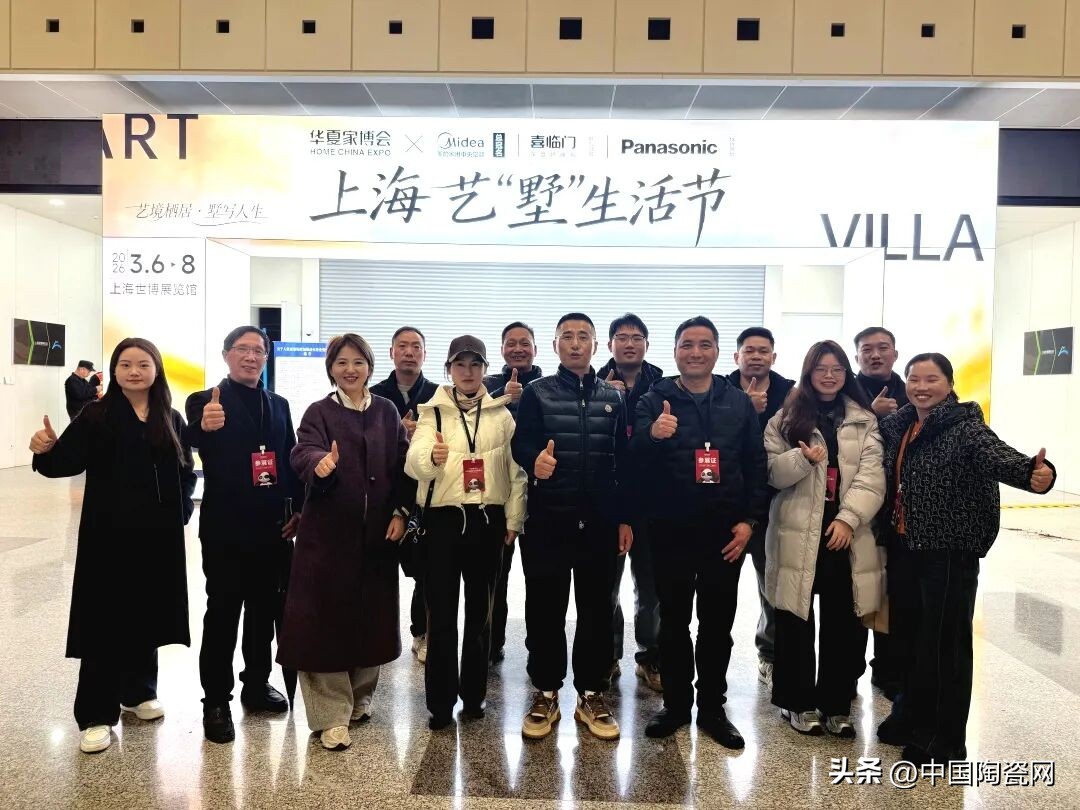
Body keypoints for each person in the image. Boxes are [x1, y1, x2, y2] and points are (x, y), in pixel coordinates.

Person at [876, 353, 1055, 765]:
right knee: (908, 639)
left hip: (948, 551)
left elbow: (1003, 459)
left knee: (944, 645)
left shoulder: (966, 428)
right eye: (914, 379)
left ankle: (944, 739)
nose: (922, 387)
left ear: (949, 384)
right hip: (905, 546)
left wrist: (1036, 474)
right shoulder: (900, 425)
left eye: (932, 379)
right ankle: (909, 715)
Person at [30, 338, 196, 754]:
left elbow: (185, 471)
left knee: (146, 612)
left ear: (156, 370)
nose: (134, 371)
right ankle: (96, 714)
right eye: (125, 364)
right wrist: (45, 449)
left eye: (143, 364)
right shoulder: (97, 415)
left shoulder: (170, 417)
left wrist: (178, 514)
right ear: (115, 370)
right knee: (104, 620)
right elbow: (64, 462)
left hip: (156, 539)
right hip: (108, 537)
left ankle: (137, 692)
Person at [630, 316, 767, 748]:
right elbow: (632, 458)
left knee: (717, 625)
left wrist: (749, 522)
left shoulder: (737, 402)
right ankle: (674, 705)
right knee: (673, 622)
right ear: (674, 352)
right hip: (669, 530)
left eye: (704, 344)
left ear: (717, 352)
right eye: (687, 344)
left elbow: (755, 465)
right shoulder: (654, 399)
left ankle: (712, 708)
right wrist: (653, 434)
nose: (695, 352)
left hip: (724, 534)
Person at [277, 334, 411, 750]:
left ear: (370, 366)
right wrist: (320, 463)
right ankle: (331, 715)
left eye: (358, 362)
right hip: (327, 537)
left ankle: (360, 698)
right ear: (331, 369)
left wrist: (401, 513)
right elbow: (302, 450)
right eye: (341, 363)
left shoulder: (386, 410)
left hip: (377, 537)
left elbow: (404, 465)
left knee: (372, 617)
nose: (350, 370)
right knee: (323, 622)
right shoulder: (319, 411)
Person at [511, 313, 633, 741]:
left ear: (596, 346)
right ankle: (545, 691)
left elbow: (622, 460)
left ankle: (591, 694)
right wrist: (535, 461)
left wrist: (624, 518)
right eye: (568, 336)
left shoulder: (613, 397)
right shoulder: (536, 392)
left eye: (584, 337)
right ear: (556, 345)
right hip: (548, 520)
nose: (576, 343)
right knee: (545, 609)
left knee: (597, 610)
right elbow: (520, 443)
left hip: (600, 522)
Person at [185, 326, 305, 744]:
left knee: (263, 612)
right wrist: (203, 426)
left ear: (266, 358)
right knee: (222, 614)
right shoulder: (205, 400)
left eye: (259, 351)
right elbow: (189, 439)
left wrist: (298, 510)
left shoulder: (279, 404)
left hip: (273, 528)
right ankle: (216, 701)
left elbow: (289, 460)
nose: (251, 357)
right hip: (226, 528)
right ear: (226, 354)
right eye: (243, 349)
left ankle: (256, 683)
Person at [763, 340, 885, 738]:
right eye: (821, 369)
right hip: (797, 531)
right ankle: (796, 703)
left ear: (846, 374)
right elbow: (772, 473)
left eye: (837, 369)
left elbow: (872, 477)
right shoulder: (785, 418)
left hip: (844, 534)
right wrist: (803, 459)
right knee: (795, 618)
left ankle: (836, 704)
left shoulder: (864, 420)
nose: (829, 376)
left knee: (844, 622)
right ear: (808, 373)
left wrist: (849, 520)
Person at [406, 336, 527, 729]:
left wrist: (514, 520)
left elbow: (516, 472)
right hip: (442, 523)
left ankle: (474, 696)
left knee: (481, 615)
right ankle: (440, 703)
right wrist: (430, 457)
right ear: (449, 370)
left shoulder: (501, 415)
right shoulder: (433, 413)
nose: (468, 372)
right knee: (441, 617)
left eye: (476, 365)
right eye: (460, 365)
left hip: (487, 521)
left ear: (485, 370)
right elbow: (413, 464)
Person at [597, 313, 664, 691]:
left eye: (637, 337)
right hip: (609, 500)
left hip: (652, 502)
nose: (629, 343)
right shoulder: (595, 384)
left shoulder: (664, 387)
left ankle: (650, 657)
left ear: (646, 345)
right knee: (606, 585)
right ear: (610, 345)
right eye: (621, 337)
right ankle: (608, 656)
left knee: (650, 587)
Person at [727, 326, 795, 689]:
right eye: (749, 350)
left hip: (776, 505)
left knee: (772, 586)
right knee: (718, 590)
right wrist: (745, 410)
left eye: (763, 350)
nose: (756, 356)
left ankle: (769, 654)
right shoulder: (721, 389)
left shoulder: (792, 393)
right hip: (727, 506)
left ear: (773, 356)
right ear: (736, 356)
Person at [370, 326, 439, 665]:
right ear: (391, 353)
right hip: (381, 493)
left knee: (427, 570)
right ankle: (374, 635)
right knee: (377, 569)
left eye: (416, 347)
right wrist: (397, 431)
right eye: (402, 346)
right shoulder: (372, 395)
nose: (409, 352)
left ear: (425, 354)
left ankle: (421, 633)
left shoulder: (439, 395)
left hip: (424, 495)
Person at [481, 321, 543, 665]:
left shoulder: (548, 386)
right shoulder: (487, 386)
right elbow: (472, 423)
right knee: (495, 575)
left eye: (525, 343)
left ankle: (538, 648)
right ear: (502, 348)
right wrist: (503, 397)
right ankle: (491, 644)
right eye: (511, 343)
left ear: (535, 348)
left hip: (539, 494)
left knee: (539, 578)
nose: (518, 348)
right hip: (498, 492)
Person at [853, 326, 910, 698]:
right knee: (859, 591)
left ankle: (889, 671)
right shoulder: (847, 392)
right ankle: (848, 672)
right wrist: (872, 416)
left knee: (896, 592)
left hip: (902, 512)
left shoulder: (912, 393)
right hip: (859, 510)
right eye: (867, 349)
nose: (875, 355)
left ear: (895, 353)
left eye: (883, 348)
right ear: (857, 356)